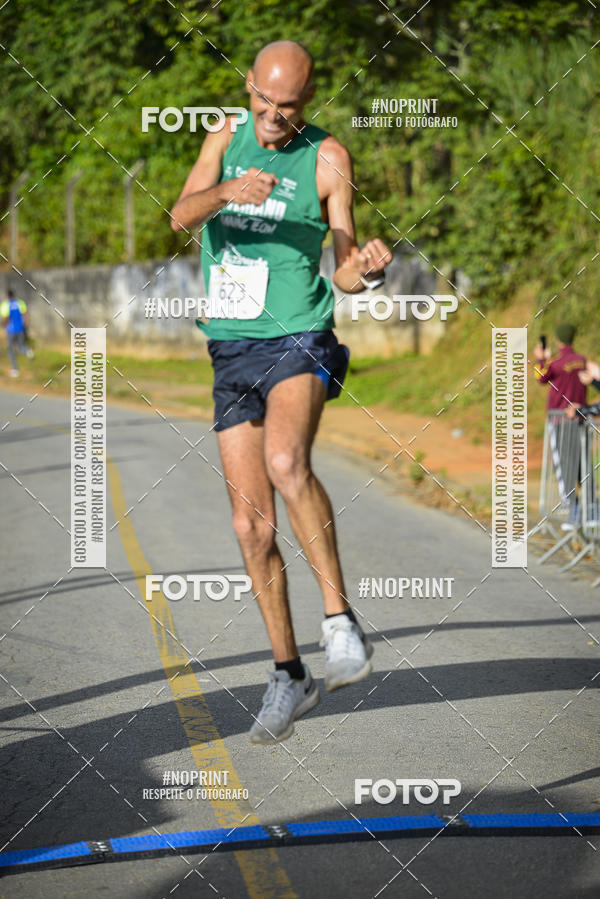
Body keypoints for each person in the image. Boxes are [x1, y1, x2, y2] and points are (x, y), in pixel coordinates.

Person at [171, 40, 392, 743]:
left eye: (287, 106)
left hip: (299, 334)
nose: (271, 116)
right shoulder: (223, 136)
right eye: (263, 101)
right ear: (249, 88)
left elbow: (347, 265)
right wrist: (227, 191)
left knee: (287, 463)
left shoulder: (327, 158)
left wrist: (369, 268)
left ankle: (339, 618)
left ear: (308, 102)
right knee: (249, 526)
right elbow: (180, 214)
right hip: (231, 345)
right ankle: (288, 672)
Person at [534, 323, 586, 409]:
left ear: (558, 340)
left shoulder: (555, 362)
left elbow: (541, 378)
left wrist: (540, 360)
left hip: (558, 416)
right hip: (580, 414)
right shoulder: (582, 360)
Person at [1, 288, 33, 377]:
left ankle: (15, 370)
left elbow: (6, 318)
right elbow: (26, 314)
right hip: (21, 329)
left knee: (11, 350)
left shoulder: (5, 305)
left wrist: (2, 325)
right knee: (20, 347)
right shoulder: (20, 303)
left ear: (7, 296)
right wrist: (26, 325)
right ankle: (27, 350)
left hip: (11, 330)